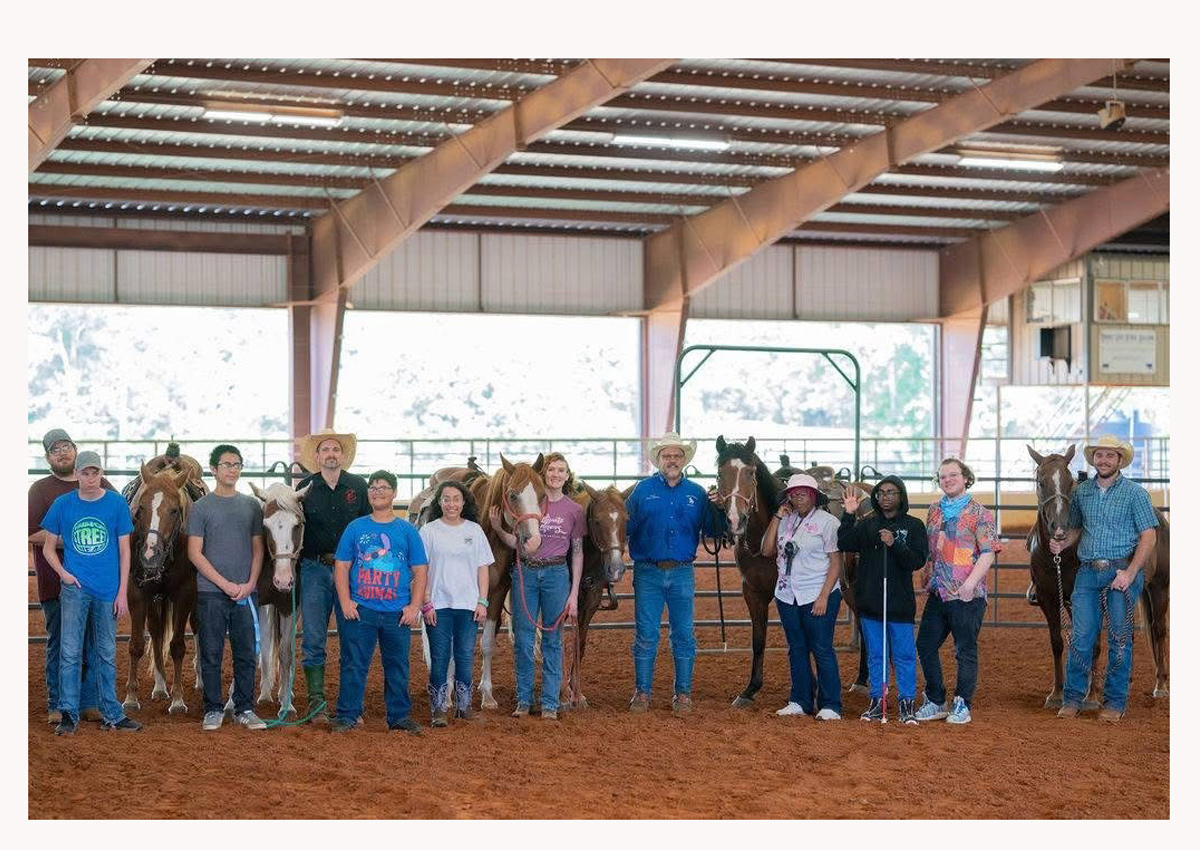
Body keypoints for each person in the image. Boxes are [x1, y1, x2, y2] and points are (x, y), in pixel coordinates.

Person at [1051, 436, 1158, 723]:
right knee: (1081, 638)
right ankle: (1073, 697)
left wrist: (1131, 572)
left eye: (1110, 456)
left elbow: (1148, 536)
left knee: (1119, 640)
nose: (1104, 461)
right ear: (1093, 459)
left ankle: (1114, 701)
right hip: (1087, 572)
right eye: (1099, 455)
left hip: (1121, 570)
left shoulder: (1135, 494)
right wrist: (1063, 543)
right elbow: (1075, 529)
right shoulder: (1082, 492)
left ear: (1119, 460)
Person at [624, 433, 727, 714]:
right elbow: (624, 528)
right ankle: (642, 692)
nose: (672, 460)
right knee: (646, 633)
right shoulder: (640, 492)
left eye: (677, 456)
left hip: (682, 570)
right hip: (648, 570)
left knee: (683, 634)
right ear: (658, 460)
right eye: (667, 456)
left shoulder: (697, 493)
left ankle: (683, 693)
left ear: (684, 460)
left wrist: (718, 508)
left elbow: (714, 531)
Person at [40, 450, 141, 735]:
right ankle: (68, 713)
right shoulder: (63, 505)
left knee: (106, 653)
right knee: (70, 652)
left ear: (101, 473)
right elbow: (48, 547)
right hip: (75, 589)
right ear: (77, 475)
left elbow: (125, 550)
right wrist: (64, 575)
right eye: (85, 472)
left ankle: (112, 712)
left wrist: (122, 592)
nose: (90, 477)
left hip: (108, 589)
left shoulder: (116, 503)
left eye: (95, 472)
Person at [488, 452, 584, 720]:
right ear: (545, 474)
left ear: (567, 475)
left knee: (553, 640)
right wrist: (497, 529)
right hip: (526, 572)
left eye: (560, 470)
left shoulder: (574, 510)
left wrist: (574, 593)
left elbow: (577, 553)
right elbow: (518, 543)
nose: (555, 474)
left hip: (556, 573)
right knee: (523, 639)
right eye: (551, 470)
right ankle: (523, 700)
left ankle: (550, 702)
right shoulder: (532, 500)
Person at [331, 470, 428, 734]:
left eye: (383, 487)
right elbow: (341, 566)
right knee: (353, 662)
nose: (377, 492)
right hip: (361, 610)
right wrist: (345, 602)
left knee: (397, 665)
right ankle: (347, 714)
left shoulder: (407, 531)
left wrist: (414, 606)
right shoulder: (356, 527)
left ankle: (398, 716)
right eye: (373, 488)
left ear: (394, 493)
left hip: (397, 612)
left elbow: (420, 570)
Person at [28, 428, 111, 724]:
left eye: (66, 446)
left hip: (96, 581)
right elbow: (31, 532)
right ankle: (57, 703)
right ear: (48, 457)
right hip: (57, 581)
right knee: (61, 642)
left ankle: (88, 702)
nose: (62, 452)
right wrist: (71, 539)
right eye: (55, 449)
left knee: (91, 642)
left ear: (75, 451)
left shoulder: (101, 484)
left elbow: (115, 523)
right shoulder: (40, 490)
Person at [187, 444, 267, 731]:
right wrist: (224, 584)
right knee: (211, 651)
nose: (233, 469)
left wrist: (249, 584)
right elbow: (195, 553)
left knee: (246, 651)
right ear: (213, 469)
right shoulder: (200, 508)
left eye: (237, 464)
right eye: (227, 464)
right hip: (211, 592)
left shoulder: (251, 506)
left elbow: (258, 549)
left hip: (246, 593)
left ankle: (245, 707)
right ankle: (212, 708)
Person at [914, 458, 998, 725]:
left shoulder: (980, 514)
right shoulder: (934, 510)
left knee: (965, 650)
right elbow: (932, 548)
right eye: (942, 476)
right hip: (939, 591)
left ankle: (962, 702)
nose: (947, 480)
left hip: (966, 594)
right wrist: (927, 572)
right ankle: (937, 699)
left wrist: (971, 584)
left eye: (953, 475)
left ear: (965, 478)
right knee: (925, 645)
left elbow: (987, 553)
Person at [839, 476, 929, 724]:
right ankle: (877, 701)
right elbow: (844, 541)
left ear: (901, 496)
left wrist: (895, 543)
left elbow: (917, 560)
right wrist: (848, 515)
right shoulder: (868, 525)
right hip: (870, 602)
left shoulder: (914, 526)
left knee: (904, 655)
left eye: (891, 492)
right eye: (881, 493)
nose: (886, 497)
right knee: (876, 655)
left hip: (899, 604)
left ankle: (906, 703)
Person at [295, 429, 369, 722]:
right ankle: (316, 702)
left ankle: (350, 704)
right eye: (325, 449)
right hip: (315, 567)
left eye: (335, 449)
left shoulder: (358, 486)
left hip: (352, 570)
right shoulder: (304, 489)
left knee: (353, 637)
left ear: (342, 455)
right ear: (316, 456)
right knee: (313, 637)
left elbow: (366, 526)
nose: (330, 454)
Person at [761, 473, 844, 720]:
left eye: (803, 493)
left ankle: (831, 704)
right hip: (788, 595)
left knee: (821, 648)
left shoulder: (828, 522)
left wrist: (823, 596)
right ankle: (800, 700)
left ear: (814, 496)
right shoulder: (785, 520)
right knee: (796, 648)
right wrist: (777, 517)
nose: (798, 498)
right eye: (794, 494)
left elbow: (836, 563)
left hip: (817, 593)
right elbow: (766, 549)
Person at [419, 480, 493, 727]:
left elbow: (483, 568)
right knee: (440, 657)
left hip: (468, 605)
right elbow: (421, 569)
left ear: (464, 503)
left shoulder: (475, 531)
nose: (451, 504)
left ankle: (464, 706)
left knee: (464, 657)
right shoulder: (428, 531)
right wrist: (426, 602)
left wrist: (482, 601)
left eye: (456, 499)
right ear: (439, 502)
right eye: (446, 499)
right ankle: (438, 709)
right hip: (438, 604)